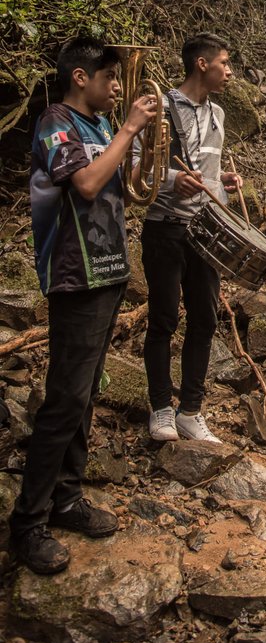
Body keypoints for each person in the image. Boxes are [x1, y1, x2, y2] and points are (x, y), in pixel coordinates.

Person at [9, 38, 158, 575]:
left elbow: (130, 185)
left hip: (110, 270)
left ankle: (67, 499)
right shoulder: (56, 122)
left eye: (121, 79)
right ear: (80, 77)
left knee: (85, 393)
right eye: (110, 79)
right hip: (75, 275)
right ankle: (28, 525)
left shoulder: (99, 127)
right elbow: (89, 183)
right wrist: (130, 129)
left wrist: (161, 169)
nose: (119, 88)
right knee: (64, 400)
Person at [138, 34, 241, 445]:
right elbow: (135, 171)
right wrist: (169, 180)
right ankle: (160, 408)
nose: (229, 71)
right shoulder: (158, 109)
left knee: (205, 319)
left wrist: (225, 184)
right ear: (202, 64)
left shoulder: (218, 113)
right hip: (164, 227)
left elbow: (209, 174)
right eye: (224, 62)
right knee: (163, 318)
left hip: (206, 231)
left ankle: (191, 412)